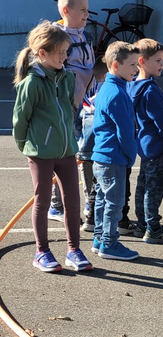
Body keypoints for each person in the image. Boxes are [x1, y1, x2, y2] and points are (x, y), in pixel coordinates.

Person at [12, 20, 93, 273]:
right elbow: (20, 119)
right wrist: (29, 146)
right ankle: (42, 252)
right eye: (60, 53)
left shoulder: (67, 77)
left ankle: (73, 250)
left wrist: (69, 140)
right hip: (41, 153)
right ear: (42, 53)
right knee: (43, 202)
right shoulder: (32, 83)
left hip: (66, 151)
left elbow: (70, 109)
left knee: (73, 201)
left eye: (66, 52)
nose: (65, 57)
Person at [91, 41, 140, 261]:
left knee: (103, 199)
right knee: (115, 202)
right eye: (131, 64)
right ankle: (109, 244)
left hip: (102, 155)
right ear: (115, 65)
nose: (136, 69)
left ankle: (99, 238)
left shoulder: (106, 87)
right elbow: (126, 132)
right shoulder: (119, 95)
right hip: (114, 157)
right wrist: (131, 156)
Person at [48, 0, 95, 223]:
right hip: (65, 108)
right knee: (63, 155)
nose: (87, 14)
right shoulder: (54, 36)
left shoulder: (83, 35)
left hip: (84, 107)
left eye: (87, 9)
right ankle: (57, 206)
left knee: (86, 154)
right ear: (66, 11)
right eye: (83, 10)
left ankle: (89, 202)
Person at [127, 38, 163, 244]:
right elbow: (162, 122)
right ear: (142, 61)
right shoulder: (150, 90)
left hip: (143, 145)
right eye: (157, 60)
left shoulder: (132, 86)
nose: (161, 65)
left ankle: (142, 224)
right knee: (154, 188)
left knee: (143, 185)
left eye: (162, 61)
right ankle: (153, 227)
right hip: (156, 146)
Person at [76, 56, 108, 232]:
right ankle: (92, 210)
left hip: (86, 142)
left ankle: (90, 206)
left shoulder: (88, 89)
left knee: (91, 177)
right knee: (96, 180)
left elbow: (77, 118)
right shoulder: (103, 89)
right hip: (95, 145)